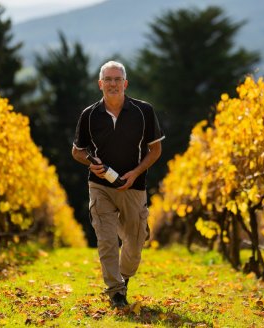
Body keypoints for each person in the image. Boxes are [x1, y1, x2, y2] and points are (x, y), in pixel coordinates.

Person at [71, 60, 165, 308]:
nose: (113, 84)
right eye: (108, 80)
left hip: (134, 187)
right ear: (100, 84)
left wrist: (135, 172)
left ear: (125, 83)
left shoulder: (144, 111)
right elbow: (77, 151)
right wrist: (91, 165)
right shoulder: (89, 115)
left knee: (135, 244)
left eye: (117, 79)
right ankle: (115, 292)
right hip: (100, 187)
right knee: (107, 239)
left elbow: (155, 150)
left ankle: (123, 277)